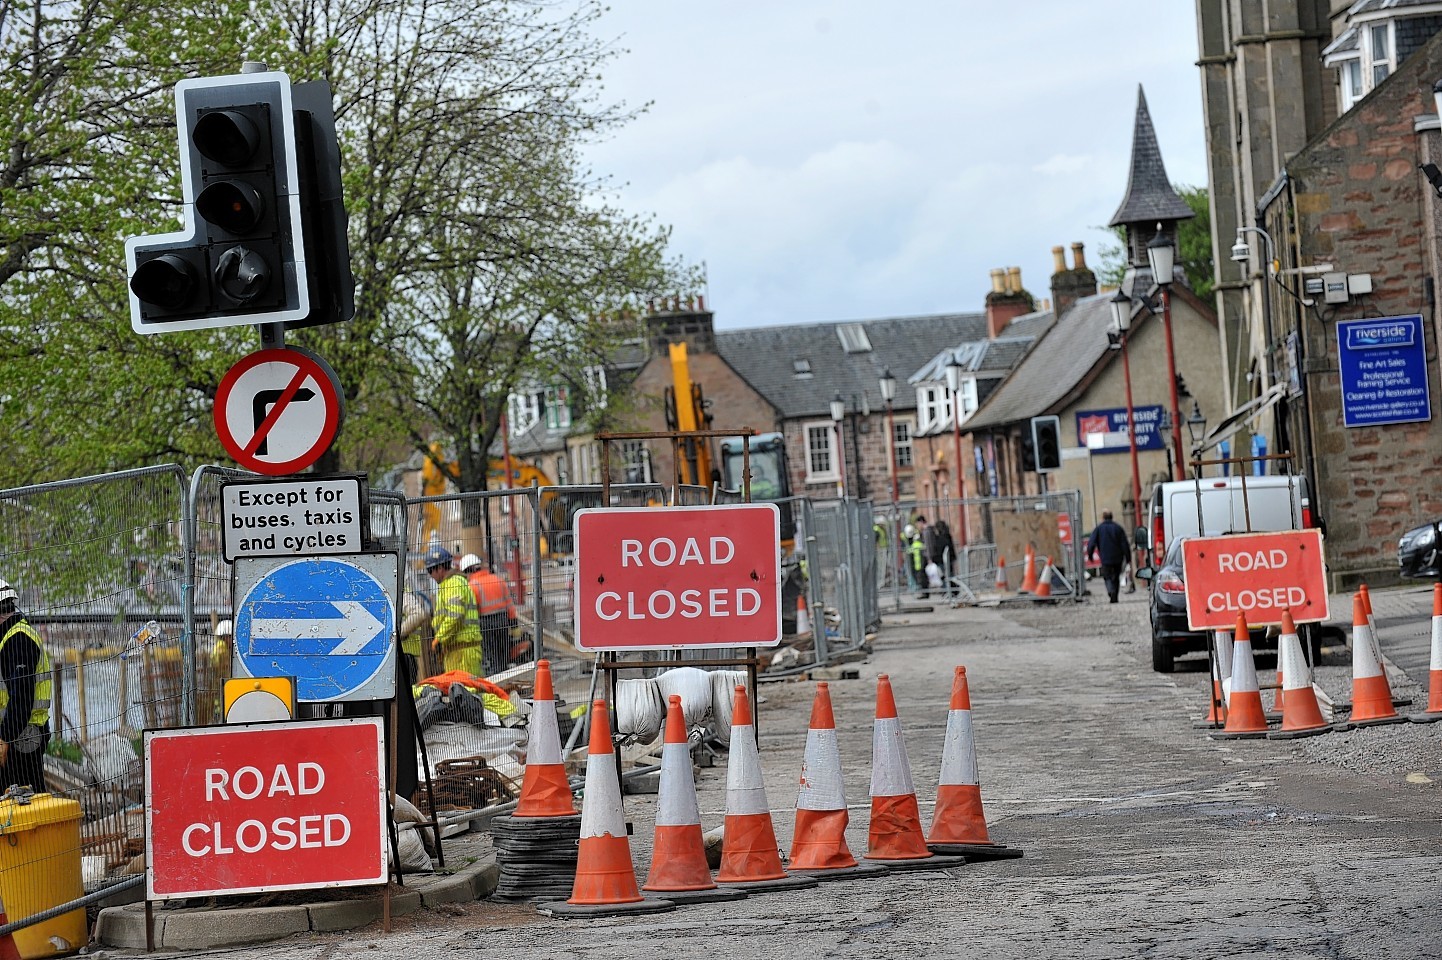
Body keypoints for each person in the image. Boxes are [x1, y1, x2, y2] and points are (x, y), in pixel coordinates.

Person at [0, 578, 51, 792]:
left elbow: (21, 699)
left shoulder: (18, 640)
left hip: (21, 741)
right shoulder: (10, 637)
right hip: (17, 738)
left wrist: (4, 738)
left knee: (25, 807)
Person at [424, 546, 484, 677]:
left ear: (439, 568)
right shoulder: (449, 584)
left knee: (465, 692)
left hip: (462, 653)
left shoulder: (453, 583)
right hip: (457, 651)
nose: (430, 576)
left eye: (430, 571)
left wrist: (439, 638)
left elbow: (455, 615)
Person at [460, 553, 519, 674]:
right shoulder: (498, 580)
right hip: (503, 621)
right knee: (503, 658)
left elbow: (472, 612)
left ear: (467, 570)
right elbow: (509, 604)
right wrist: (514, 623)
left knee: (492, 659)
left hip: (485, 625)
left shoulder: (472, 586)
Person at [1086, 510, 1131, 604]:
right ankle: (1115, 594)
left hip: (1105, 558)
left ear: (1103, 518)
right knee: (1116, 576)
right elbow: (1124, 544)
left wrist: (1090, 555)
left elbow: (1091, 543)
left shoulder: (1099, 529)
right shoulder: (1118, 528)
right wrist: (1128, 557)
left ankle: (1111, 591)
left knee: (1107, 576)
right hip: (1118, 557)